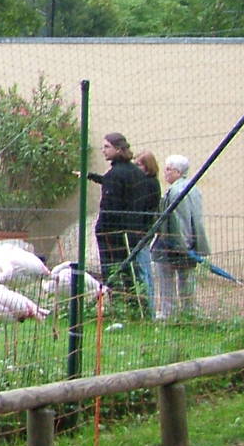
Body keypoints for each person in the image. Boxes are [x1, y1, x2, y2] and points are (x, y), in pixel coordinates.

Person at [86, 132, 146, 307]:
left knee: (112, 270)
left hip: (112, 232)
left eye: (107, 147)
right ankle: (134, 305)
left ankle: (116, 304)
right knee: (130, 270)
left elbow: (110, 205)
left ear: (118, 149)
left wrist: (101, 228)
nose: (103, 150)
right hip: (132, 230)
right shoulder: (137, 172)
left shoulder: (115, 175)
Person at [154, 154, 209, 320]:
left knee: (166, 278)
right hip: (192, 241)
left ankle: (168, 312)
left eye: (169, 169)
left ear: (178, 171)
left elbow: (180, 220)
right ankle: (188, 310)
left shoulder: (176, 191)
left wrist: (180, 244)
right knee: (187, 279)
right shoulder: (194, 188)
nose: (165, 172)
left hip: (173, 242)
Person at [131, 151, 163, 315]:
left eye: (139, 165)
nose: (135, 168)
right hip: (142, 230)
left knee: (144, 269)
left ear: (147, 166)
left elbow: (143, 208)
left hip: (142, 231)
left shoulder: (149, 184)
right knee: (141, 268)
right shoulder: (148, 182)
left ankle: (149, 308)